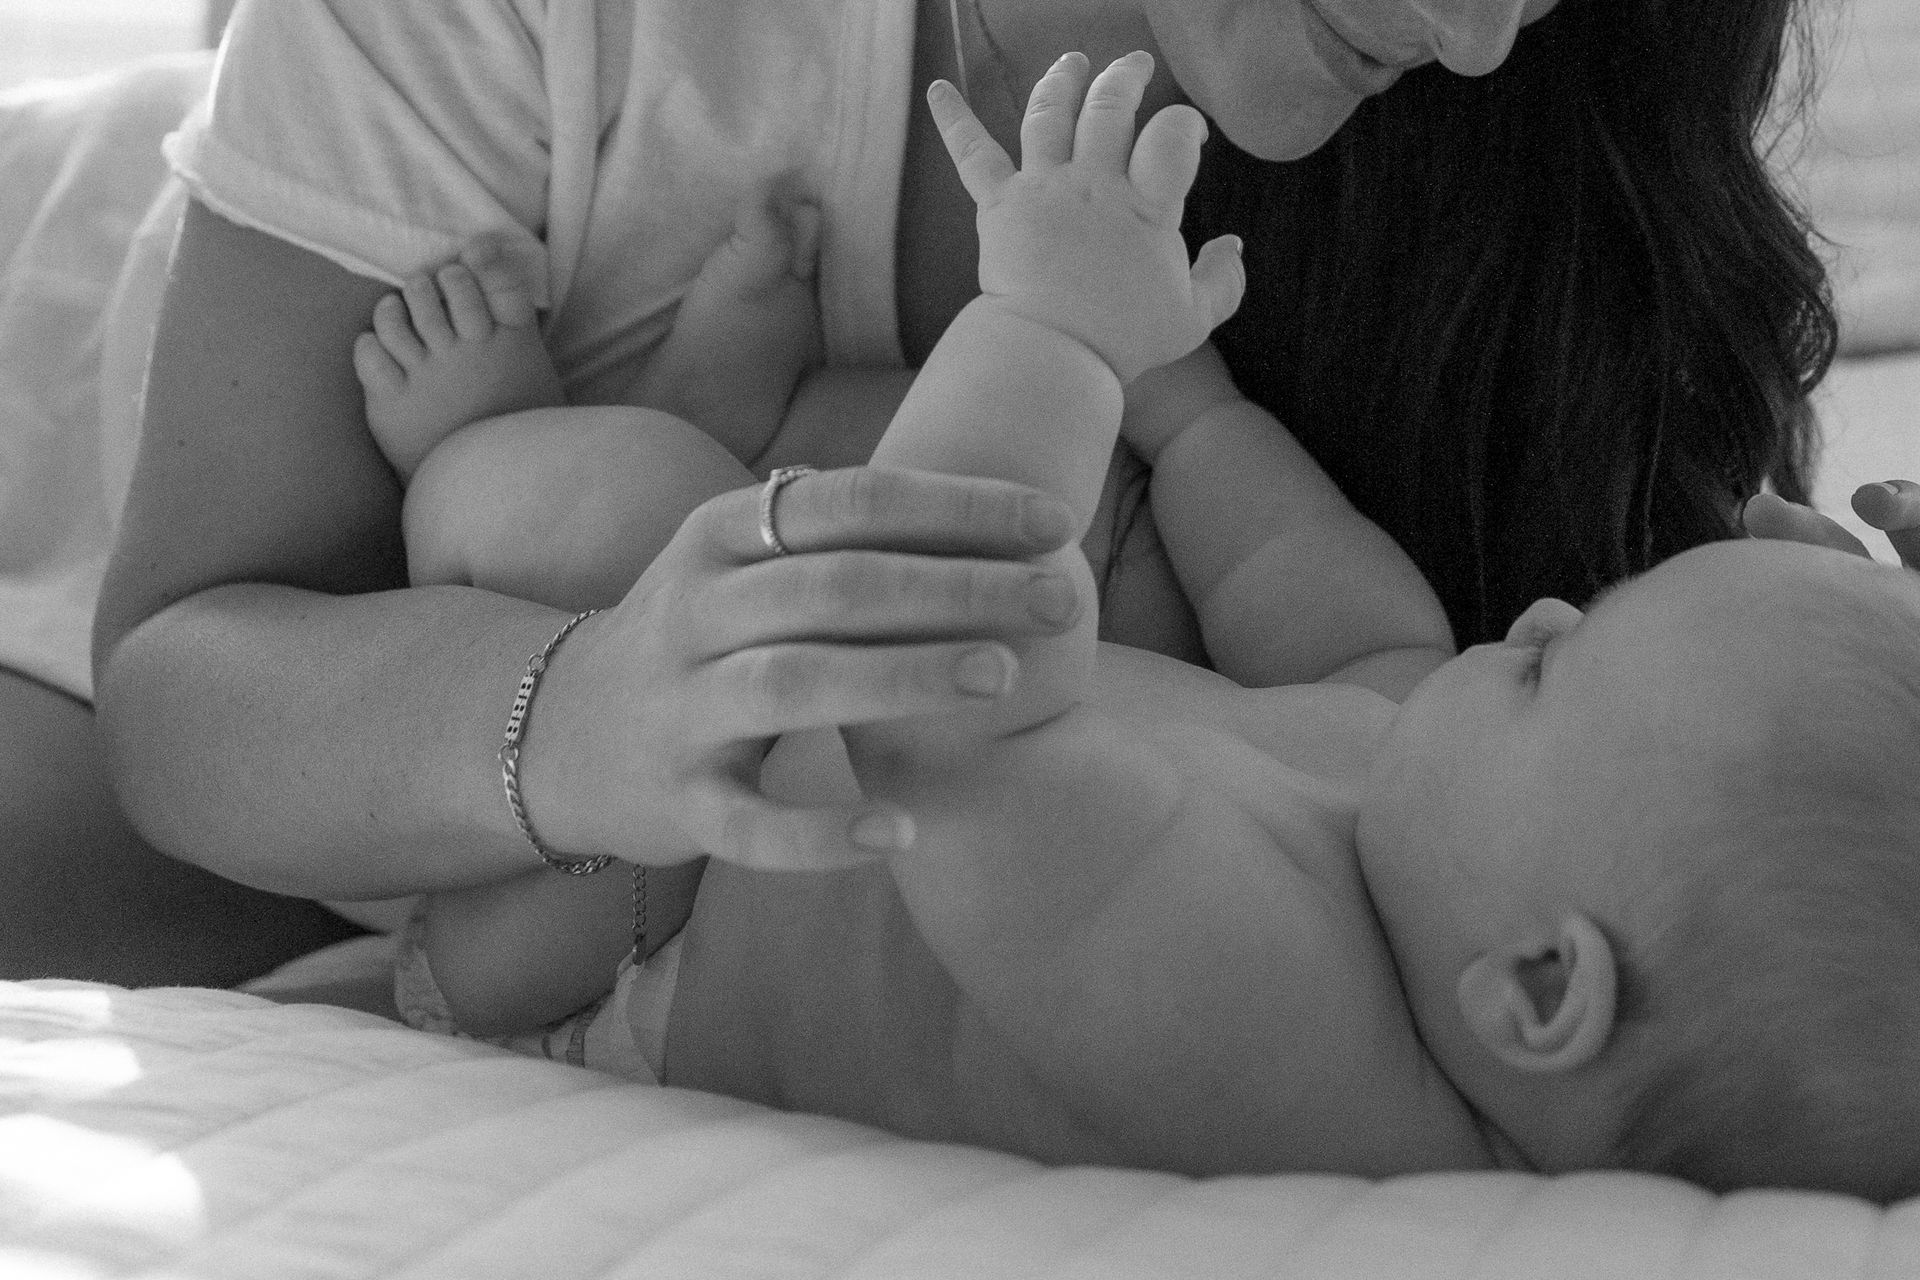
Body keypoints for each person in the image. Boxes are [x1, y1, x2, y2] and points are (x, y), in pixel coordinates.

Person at [364, 52, 1920, 1198]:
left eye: (1545, 670)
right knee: (1110, 508)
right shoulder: (1433, 841)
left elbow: (941, 707)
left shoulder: (1280, 1040)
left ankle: (473, 452)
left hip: (647, 925)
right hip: (813, 734)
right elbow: (1314, 590)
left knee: (610, 508)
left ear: (1540, 989)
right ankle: (744, 416)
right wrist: (1185, 400)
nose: (1533, 608)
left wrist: (1050, 322)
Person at [85, 1, 1830, 995]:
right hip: (90, 354)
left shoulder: (1561, 120)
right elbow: (180, 682)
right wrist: (596, 722)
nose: (1476, 36)